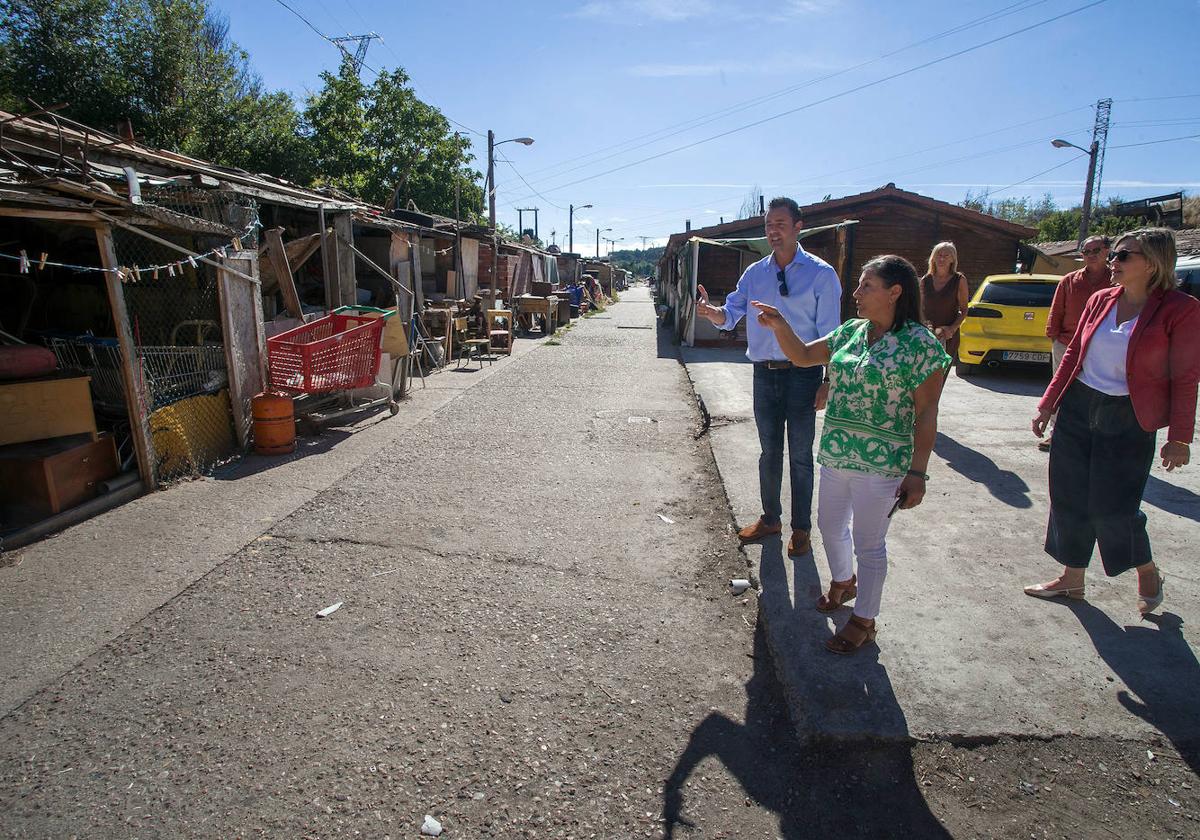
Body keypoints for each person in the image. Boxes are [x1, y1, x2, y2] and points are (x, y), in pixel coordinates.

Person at [753, 255, 949, 653]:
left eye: (866, 286)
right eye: (859, 285)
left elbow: (927, 412)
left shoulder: (921, 346)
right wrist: (780, 325)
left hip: (883, 463)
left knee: (869, 543)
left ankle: (865, 618)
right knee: (828, 526)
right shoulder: (851, 333)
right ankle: (843, 582)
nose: (856, 294)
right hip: (838, 453)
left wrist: (918, 472)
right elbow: (804, 356)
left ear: (895, 292)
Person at [1027, 228, 1200, 614]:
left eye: (1124, 256)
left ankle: (1147, 569)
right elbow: (1073, 354)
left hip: (1129, 416)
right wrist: (1047, 403)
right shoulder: (1100, 299)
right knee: (1068, 494)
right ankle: (1072, 578)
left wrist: (1180, 437)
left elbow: (1186, 376)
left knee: (1114, 507)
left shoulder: (1180, 309)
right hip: (1079, 407)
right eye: (1114, 255)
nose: (1113, 262)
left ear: (1153, 263)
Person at [695, 197, 841, 558]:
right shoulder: (755, 273)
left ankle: (801, 528)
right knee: (769, 452)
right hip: (765, 374)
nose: (773, 231)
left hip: (805, 376)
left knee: (802, 455)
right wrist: (711, 313)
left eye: (780, 224)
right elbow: (731, 313)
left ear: (798, 227)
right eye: (768, 225)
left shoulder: (821, 274)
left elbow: (832, 336)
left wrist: (828, 380)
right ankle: (771, 518)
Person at [1040, 235, 1113, 451]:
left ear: (1107, 251)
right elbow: (1057, 311)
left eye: (1095, 250)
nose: (1090, 255)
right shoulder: (1069, 281)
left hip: (1102, 347)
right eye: (1086, 252)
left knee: (1098, 390)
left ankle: (1094, 436)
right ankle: (1056, 434)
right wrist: (1055, 338)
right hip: (1067, 343)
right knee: (1060, 388)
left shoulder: (1116, 280)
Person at [918, 241, 969, 374]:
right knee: (922, 376)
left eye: (946, 256)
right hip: (926, 335)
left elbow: (964, 309)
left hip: (948, 337)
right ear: (933, 258)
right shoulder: (925, 280)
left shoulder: (959, 280)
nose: (941, 258)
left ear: (952, 259)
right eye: (939, 255)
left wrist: (952, 328)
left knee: (939, 376)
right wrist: (924, 324)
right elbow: (919, 307)